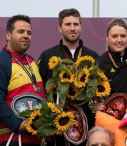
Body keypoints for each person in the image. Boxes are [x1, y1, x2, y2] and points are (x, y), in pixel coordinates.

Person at [37, 8, 99, 146]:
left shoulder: (93, 57)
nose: (72, 28)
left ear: (81, 27)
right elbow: (39, 89)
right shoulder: (47, 56)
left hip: (86, 126)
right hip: (57, 126)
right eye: (68, 24)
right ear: (59, 27)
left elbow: (98, 93)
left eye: (76, 24)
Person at [0, 15, 52, 146]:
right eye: (21, 31)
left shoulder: (31, 60)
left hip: (38, 138)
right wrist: (17, 124)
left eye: (29, 33)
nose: (26, 35)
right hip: (13, 138)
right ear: (8, 35)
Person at [95, 18, 127, 112]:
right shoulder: (100, 63)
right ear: (106, 37)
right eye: (114, 36)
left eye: (123, 36)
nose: (119, 40)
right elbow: (93, 95)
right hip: (110, 115)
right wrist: (96, 105)